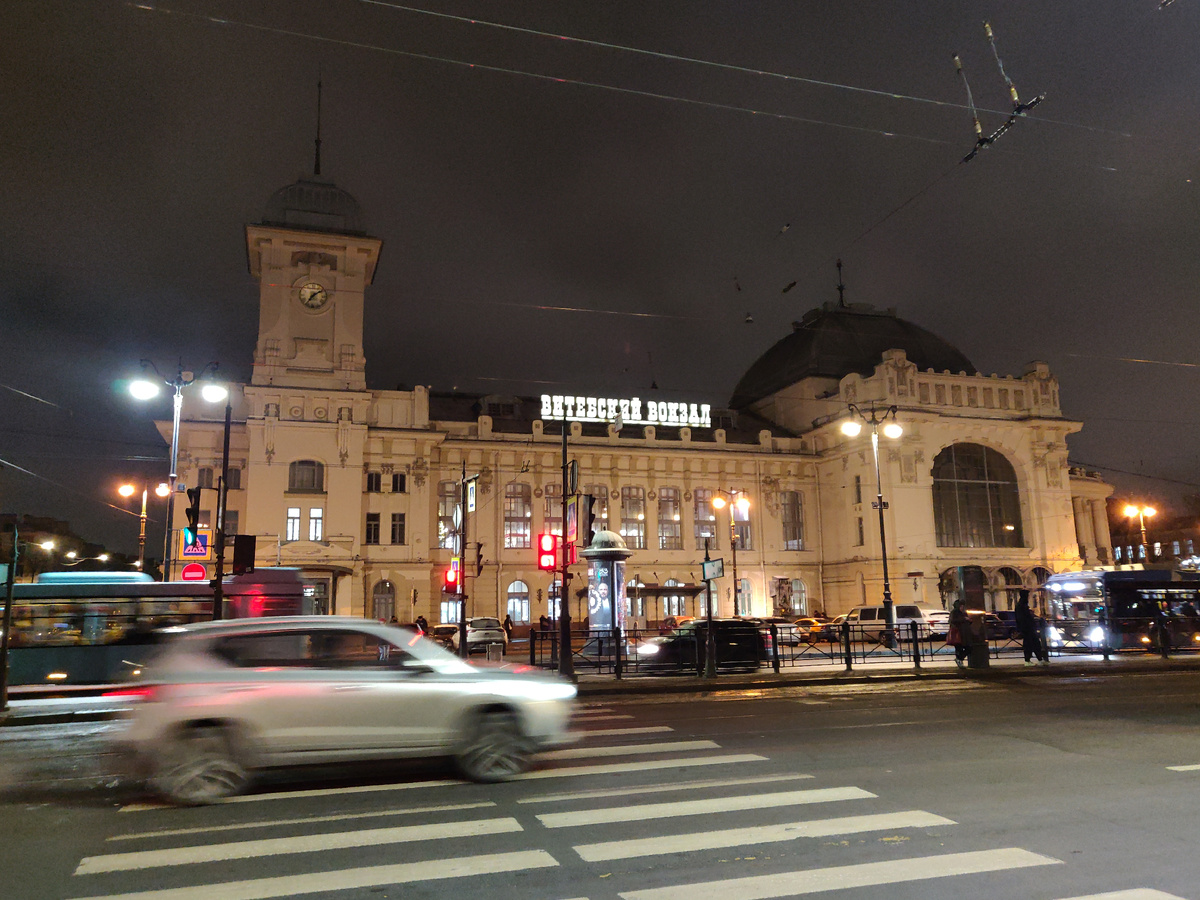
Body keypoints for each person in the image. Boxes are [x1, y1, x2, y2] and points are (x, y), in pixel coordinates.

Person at [1014, 590, 1048, 665]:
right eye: (1028, 595)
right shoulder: (1022, 605)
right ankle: (1029, 660)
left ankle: (1037, 659)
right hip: (1028, 628)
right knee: (1031, 644)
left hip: (1027, 628)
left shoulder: (1021, 605)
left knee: (1033, 643)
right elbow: (1024, 618)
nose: (1028, 597)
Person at [948, 599, 970, 668]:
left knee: (966, 648)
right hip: (958, 633)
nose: (962, 607)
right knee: (960, 648)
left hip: (963, 633)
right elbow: (952, 621)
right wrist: (964, 619)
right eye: (961, 606)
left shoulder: (962, 613)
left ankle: (959, 659)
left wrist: (969, 620)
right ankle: (959, 660)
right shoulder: (954, 612)